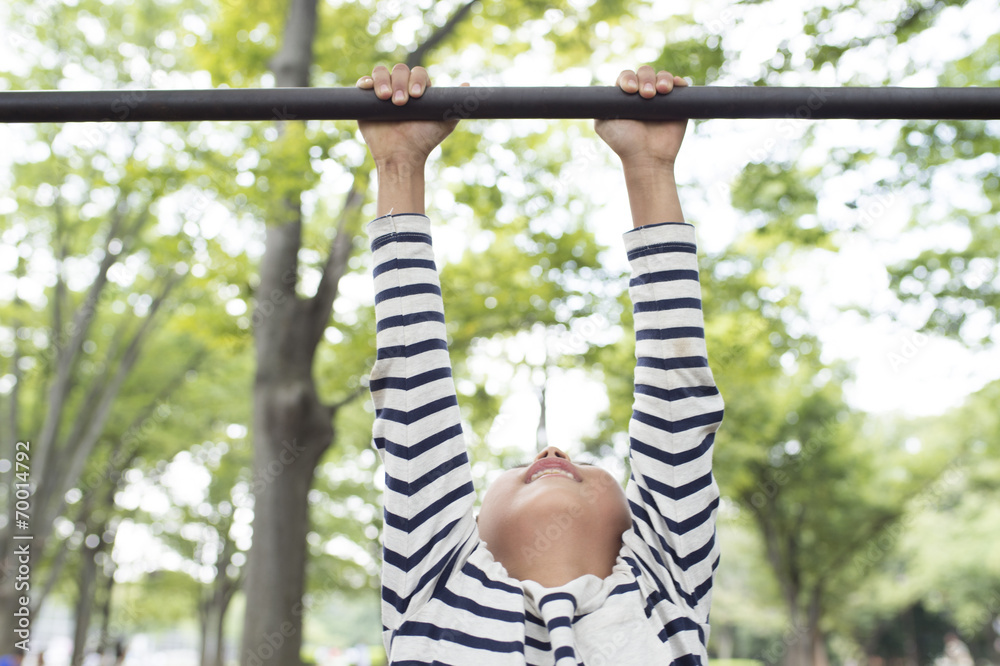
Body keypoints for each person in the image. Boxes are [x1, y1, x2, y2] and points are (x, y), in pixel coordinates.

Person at [358, 63, 724, 665]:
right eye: (573, 457)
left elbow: (411, 391)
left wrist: (400, 166)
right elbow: (678, 406)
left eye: (576, 460)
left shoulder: (430, 593)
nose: (552, 453)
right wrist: (649, 170)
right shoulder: (671, 591)